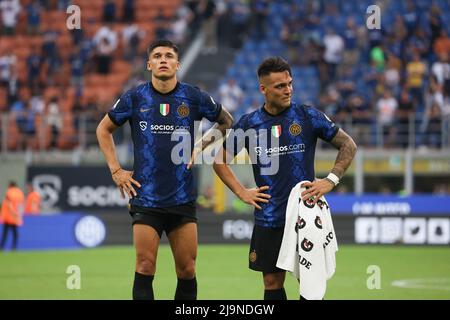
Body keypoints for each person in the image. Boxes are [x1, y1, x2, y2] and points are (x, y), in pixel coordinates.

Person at [96, 39, 233, 300]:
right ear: (149, 64)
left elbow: (227, 122)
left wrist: (202, 144)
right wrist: (116, 170)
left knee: (187, 270)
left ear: (177, 64)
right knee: (145, 267)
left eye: (169, 56)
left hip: (182, 198)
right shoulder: (135, 97)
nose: (163, 59)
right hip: (146, 198)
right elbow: (103, 129)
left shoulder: (193, 97)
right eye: (157, 56)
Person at [213, 57, 357, 300]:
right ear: (263, 89)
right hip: (269, 216)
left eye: (289, 83)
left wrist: (331, 180)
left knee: (310, 284)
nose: (288, 89)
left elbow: (348, 144)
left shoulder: (307, 116)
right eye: (280, 86)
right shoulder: (250, 123)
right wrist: (242, 192)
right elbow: (219, 160)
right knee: (271, 282)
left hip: (305, 216)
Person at [0, 181, 25, 251]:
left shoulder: (9, 192)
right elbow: (21, 205)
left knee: (5, 232)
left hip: (8, 216)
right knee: (15, 232)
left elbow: (8, 203)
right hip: (15, 217)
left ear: (10, 186)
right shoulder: (20, 193)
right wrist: (19, 215)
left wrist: (13, 212)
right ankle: (14, 247)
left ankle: (1, 247)